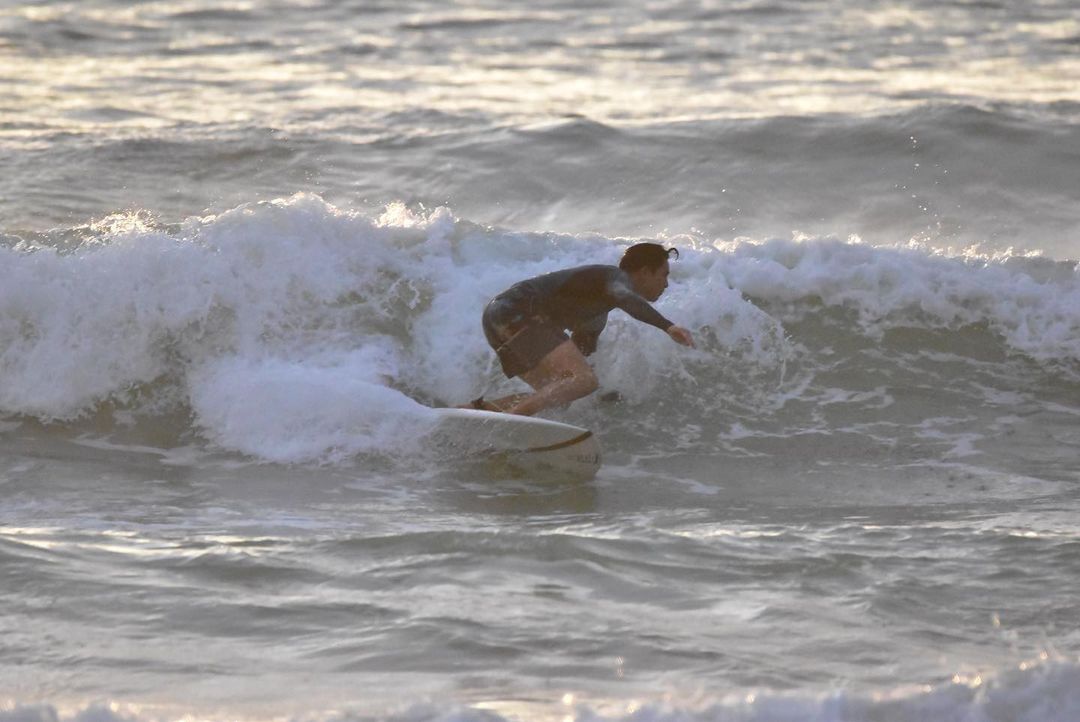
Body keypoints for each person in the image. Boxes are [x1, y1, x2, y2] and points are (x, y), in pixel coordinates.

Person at [465, 242, 695, 416]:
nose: (666, 284)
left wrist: (602, 395)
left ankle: (473, 412)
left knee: (560, 392)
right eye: (664, 275)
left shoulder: (596, 314)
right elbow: (626, 299)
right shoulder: (615, 279)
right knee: (583, 380)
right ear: (645, 272)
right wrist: (668, 326)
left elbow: (578, 362)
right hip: (517, 310)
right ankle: (510, 423)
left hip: (497, 319)